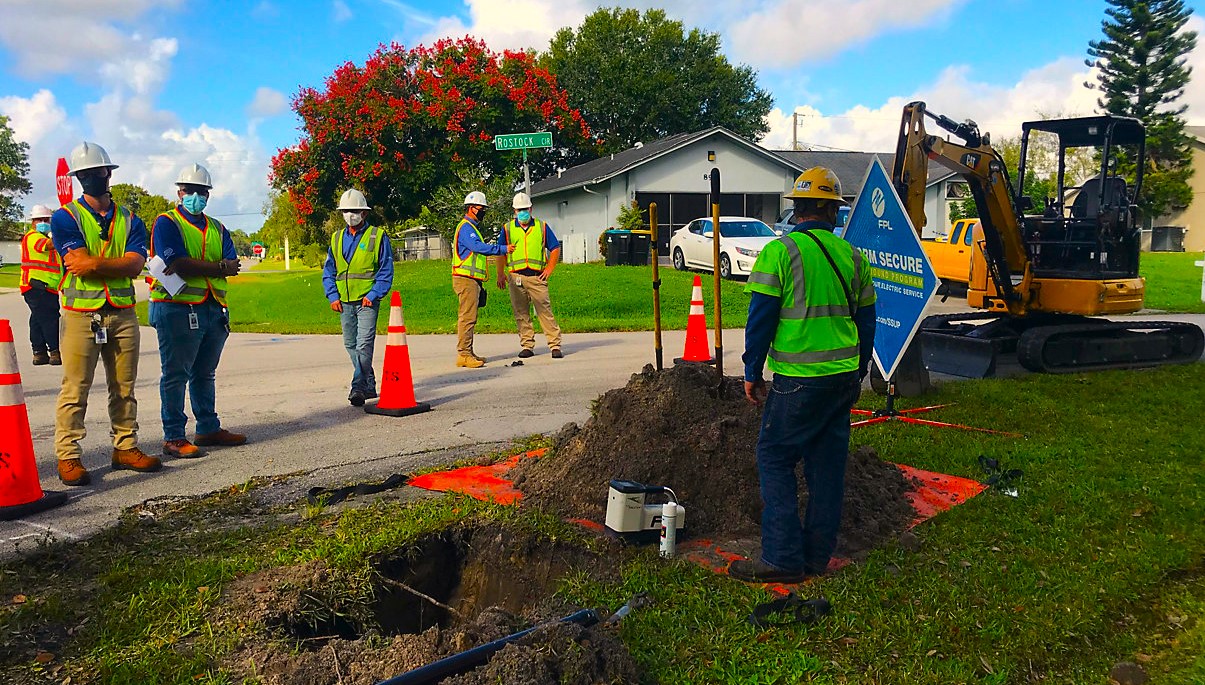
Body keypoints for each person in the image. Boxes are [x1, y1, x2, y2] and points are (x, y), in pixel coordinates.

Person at [729, 167, 877, 584]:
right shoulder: (853, 257)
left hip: (798, 380)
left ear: (797, 209)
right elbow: (867, 322)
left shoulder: (779, 252)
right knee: (827, 467)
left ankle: (781, 557)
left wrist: (751, 371)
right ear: (833, 212)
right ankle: (815, 557)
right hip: (842, 378)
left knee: (774, 457)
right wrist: (858, 371)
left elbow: (760, 320)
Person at [50, 142, 161, 486]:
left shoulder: (130, 218)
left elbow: (135, 263)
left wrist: (96, 263)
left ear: (108, 173)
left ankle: (125, 447)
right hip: (81, 314)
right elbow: (75, 264)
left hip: (123, 313)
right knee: (75, 388)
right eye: (82, 174)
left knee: (124, 386)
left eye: (95, 171)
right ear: (77, 177)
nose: (89, 178)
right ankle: (68, 455)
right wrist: (116, 265)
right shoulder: (65, 217)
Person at [148, 163, 247, 459]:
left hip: (212, 307)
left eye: (202, 191)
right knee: (176, 374)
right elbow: (176, 262)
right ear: (180, 192)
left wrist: (219, 268)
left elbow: (234, 263)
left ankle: (207, 427)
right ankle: (174, 436)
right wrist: (218, 267)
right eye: (190, 190)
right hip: (176, 307)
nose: (196, 196)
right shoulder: (167, 223)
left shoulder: (217, 227)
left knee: (205, 372)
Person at [322, 189, 394, 406]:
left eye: (354, 210)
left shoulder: (377, 236)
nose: (349, 214)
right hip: (344, 301)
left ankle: (358, 388)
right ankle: (369, 382)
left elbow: (385, 270)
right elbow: (329, 271)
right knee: (350, 343)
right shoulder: (336, 239)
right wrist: (332, 295)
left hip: (367, 301)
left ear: (363, 213)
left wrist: (373, 294)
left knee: (364, 345)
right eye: (346, 210)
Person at [495, 192, 563, 358]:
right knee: (521, 313)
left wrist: (549, 269)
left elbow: (555, 248)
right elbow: (500, 252)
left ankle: (555, 345)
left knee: (544, 311)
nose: (522, 212)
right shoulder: (507, 228)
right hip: (515, 276)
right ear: (514, 211)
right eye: (519, 210)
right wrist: (500, 274)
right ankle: (527, 345)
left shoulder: (541, 226)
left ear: (531, 208)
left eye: (525, 209)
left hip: (536, 276)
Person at [452, 191, 513, 368]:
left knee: (470, 316)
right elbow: (477, 247)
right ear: (471, 208)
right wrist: (502, 249)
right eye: (481, 208)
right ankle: (464, 354)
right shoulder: (466, 228)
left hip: (472, 279)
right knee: (467, 317)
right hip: (465, 279)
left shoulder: (471, 228)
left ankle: (468, 351)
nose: (483, 211)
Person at [19, 204, 62, 366]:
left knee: (37, 319)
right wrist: (62, 234)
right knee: (50, 318)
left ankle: (39, 353)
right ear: (32, 222)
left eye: (46, 220)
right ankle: (54, 351)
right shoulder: (33, 237)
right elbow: (47, 246)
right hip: (37, 286)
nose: (43, 222)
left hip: (45, 287)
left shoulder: (42, 236)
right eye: (40, 220)